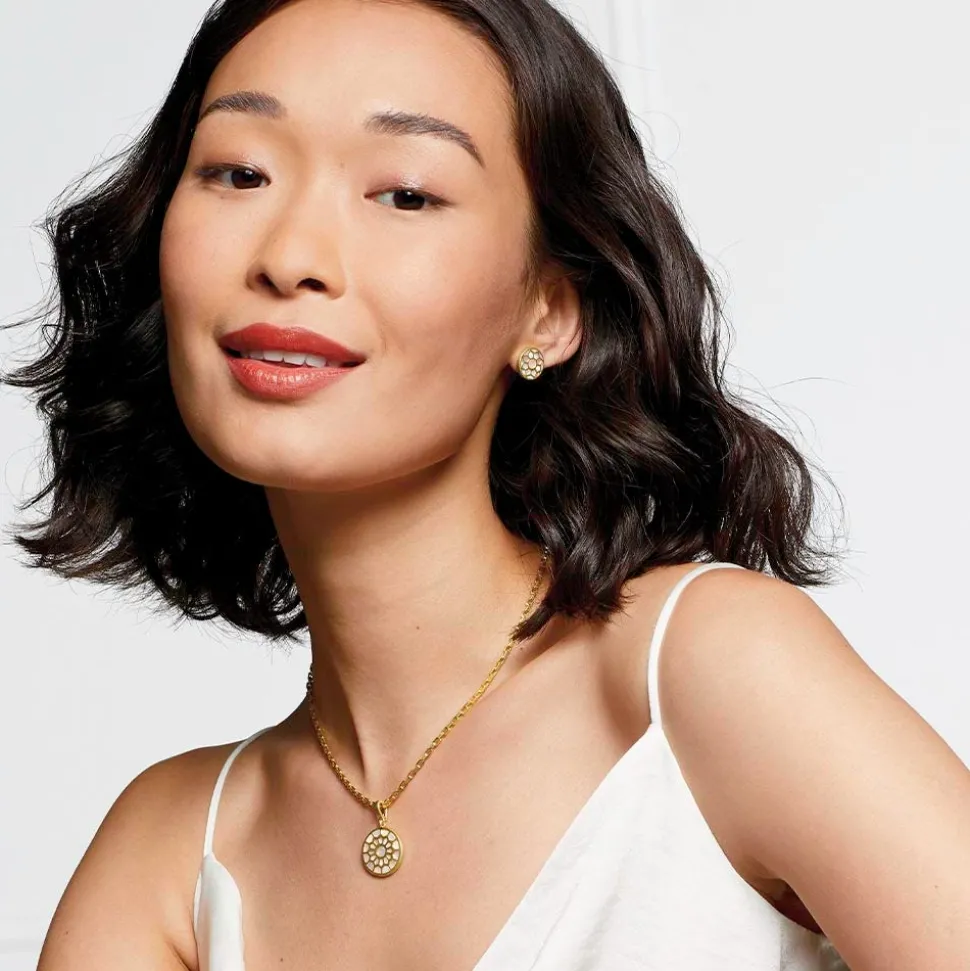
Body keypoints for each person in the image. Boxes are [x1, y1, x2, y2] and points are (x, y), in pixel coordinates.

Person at [3, 0, 968, 968]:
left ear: (548, 310)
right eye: (239, 173)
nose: (289, 258)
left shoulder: (705, 677)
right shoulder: (167, 853)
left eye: (405, 194)